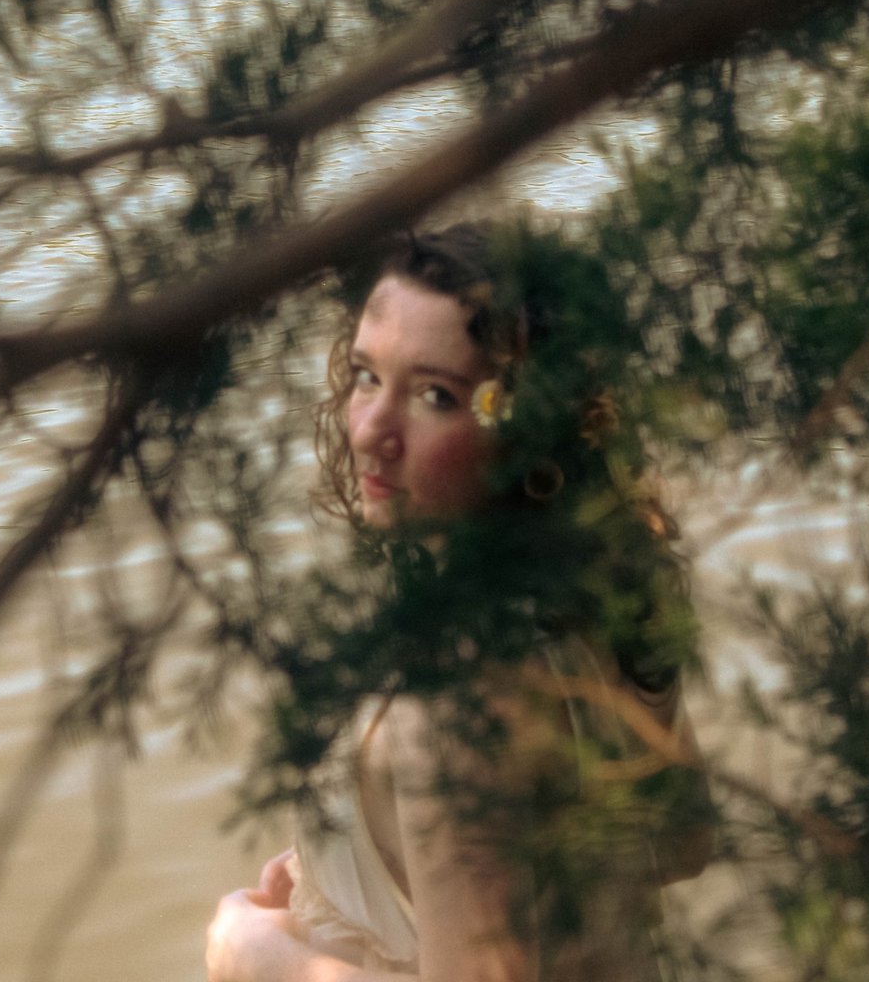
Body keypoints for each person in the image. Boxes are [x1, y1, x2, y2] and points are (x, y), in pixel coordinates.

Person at [205, 223, 710, 982]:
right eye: (367, 375)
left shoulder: (454, 698)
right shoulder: (592, 597)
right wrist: (356, 854)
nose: (372, 429)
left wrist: (261, 957)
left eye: (435, 395)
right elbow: (681, 841)